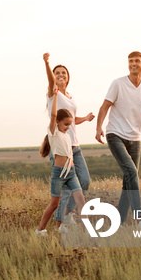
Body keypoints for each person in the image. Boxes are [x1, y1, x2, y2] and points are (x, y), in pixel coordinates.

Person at [95, 51, 141, 228]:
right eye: (130, 61)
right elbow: (104, 107)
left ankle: (119, 221)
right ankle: (140, 220)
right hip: (115, 134)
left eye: (137, 61)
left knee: (129, 179)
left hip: (135, 138)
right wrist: (98, 127)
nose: (133, 63)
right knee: (132, 173)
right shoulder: (118, 84)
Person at [43, 52, 95, 230]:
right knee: (65, 186)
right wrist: (47, 62)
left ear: (68, 77)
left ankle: (67, 213)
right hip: (60, 148)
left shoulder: (70, 96)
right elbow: (50, 81)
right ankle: (60, 222)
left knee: (85, 181)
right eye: (57, 73)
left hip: (75, 146)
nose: (60, 75)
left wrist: (85, 118)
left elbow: (70, 120)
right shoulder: (53, 93)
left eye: (63, 73)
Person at [35, 87, 86, 235]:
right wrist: (56, 96)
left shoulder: (66, 135)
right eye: (65, 124)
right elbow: (52, 114)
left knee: (81, 199)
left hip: (71, 173)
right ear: (57, 122)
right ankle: (40, 230)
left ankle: (86, 229)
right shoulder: (54, 132)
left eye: (70, 125)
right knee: (54, 204)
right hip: (59, 174)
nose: (67, 127)